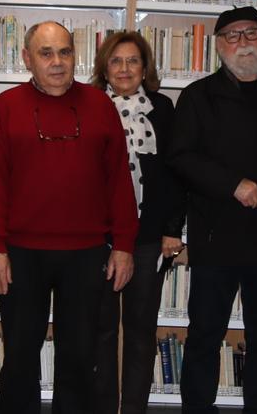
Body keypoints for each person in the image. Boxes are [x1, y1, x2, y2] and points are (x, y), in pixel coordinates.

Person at [0, 21, 139, 413]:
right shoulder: (6, 106)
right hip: (20, 254)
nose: (57, 62)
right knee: (19, 357)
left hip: (86, 253)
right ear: (27, 59)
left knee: (80, 356)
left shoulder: (100, 106)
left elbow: (119, 180)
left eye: (65, 52)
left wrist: (125, 246)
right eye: (46, 53)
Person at [169, 6, 257, 414]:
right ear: (218, 46)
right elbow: (181, 158)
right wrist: (232, 184)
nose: (243, 42)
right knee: (204, 337)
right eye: (232, 35)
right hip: (216, 238)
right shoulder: (198, 96)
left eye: (251, 33)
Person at [88, 32, 186, 414]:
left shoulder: (163, 110)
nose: (125, 69)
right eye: (116, 61)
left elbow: (175, 176)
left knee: (142, 332)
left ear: (145, 68)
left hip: (148, 239)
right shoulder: (91, 107)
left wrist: (172, 230)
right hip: (98, 238)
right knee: (102, 331)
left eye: (133, 61)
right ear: (104, 69)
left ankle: (133, 409)